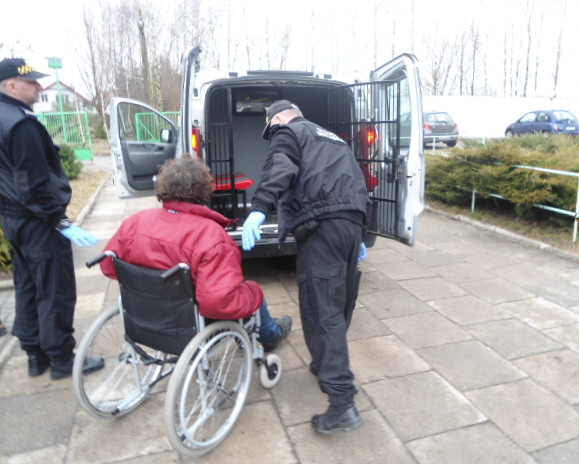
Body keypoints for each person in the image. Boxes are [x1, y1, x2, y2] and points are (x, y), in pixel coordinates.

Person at [242, 100, 369, 434]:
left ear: (280, 118)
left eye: (271, 129)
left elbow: (280, 168)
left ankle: (343, 404)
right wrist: (362, 234)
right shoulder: (335, 138)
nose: (273, 136)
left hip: (322, 228)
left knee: (321, 308)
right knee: (338, 304)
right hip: (350, 226)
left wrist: (259, 208)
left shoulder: (289, 131)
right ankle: (324, 362)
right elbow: (358, 182)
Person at [100, 155, 292, 351]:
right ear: (204, 190)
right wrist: (255, 294)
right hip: (189, 323)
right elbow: (218, 302)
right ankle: (271, 336)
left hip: (146, 315)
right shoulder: (210, 235)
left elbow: (108, 265)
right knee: (251, 292)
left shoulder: (135, 221)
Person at [0, 58, 103, 380]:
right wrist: (60, 221)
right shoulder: (22, 124)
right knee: (54, 290)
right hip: (39, 224)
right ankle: (61, 360)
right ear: (11, 85)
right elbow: (31, 184)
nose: (39, 87)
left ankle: (35, 355)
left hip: (14, 221)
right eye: (31, 83)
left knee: (28, 286)